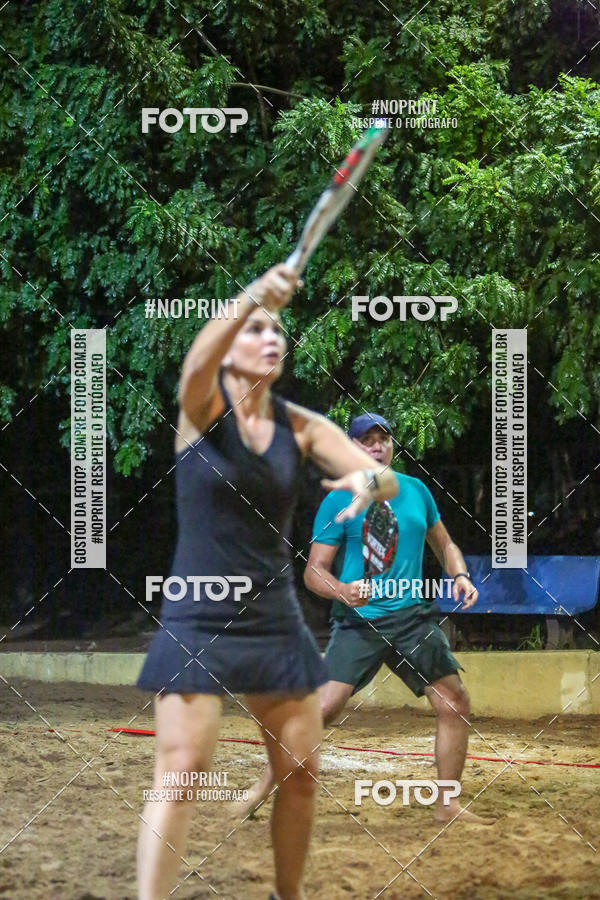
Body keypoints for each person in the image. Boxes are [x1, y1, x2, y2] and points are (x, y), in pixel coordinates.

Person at [135, 264, 399, 900]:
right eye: (256, 329)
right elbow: (197, 359)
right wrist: (253, 292)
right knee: (183, 768)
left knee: (302, 772)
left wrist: (368, 483)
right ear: (229, 345)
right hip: (199, 610)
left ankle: (289, 895)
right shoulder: (201, 409)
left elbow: (380, 477)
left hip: (272, 615)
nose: (272, 337)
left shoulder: (300, 426)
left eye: (278, 330)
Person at [242, 413, 493, 826]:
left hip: (412, 620)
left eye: (383, 439)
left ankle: (446, 805)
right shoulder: (339, 500)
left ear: (392, 446)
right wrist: (343, 591)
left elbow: (445, 544)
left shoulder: (415, 491)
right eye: (366, 440)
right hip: (361, 623)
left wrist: (460, 576)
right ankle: (261, 790)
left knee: (454, 702)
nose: (376, 446)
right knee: (320, 710)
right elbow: (313, 572)